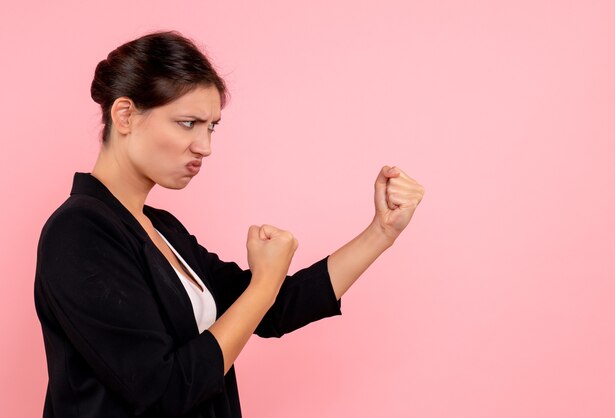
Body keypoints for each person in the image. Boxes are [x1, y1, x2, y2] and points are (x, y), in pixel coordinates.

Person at [34, 31, 425, 418]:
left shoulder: (161, 228)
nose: (205, 146)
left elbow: (271, 309)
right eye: (188, 123)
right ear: (125, 115)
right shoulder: (79, 231)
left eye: (212, 126)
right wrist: (265, 282)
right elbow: (164, 392)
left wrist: (382, 231)